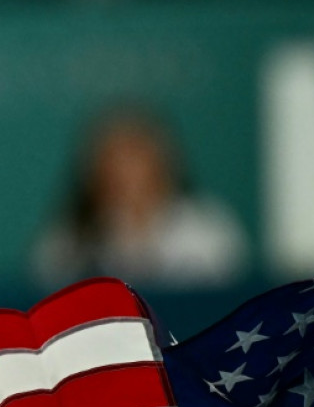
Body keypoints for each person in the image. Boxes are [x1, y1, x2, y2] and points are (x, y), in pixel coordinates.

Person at [31, 104, 248, 292]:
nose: (125, 169)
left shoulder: (209, 229)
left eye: (135, 154)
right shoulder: (69, 241)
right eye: (113, 156)